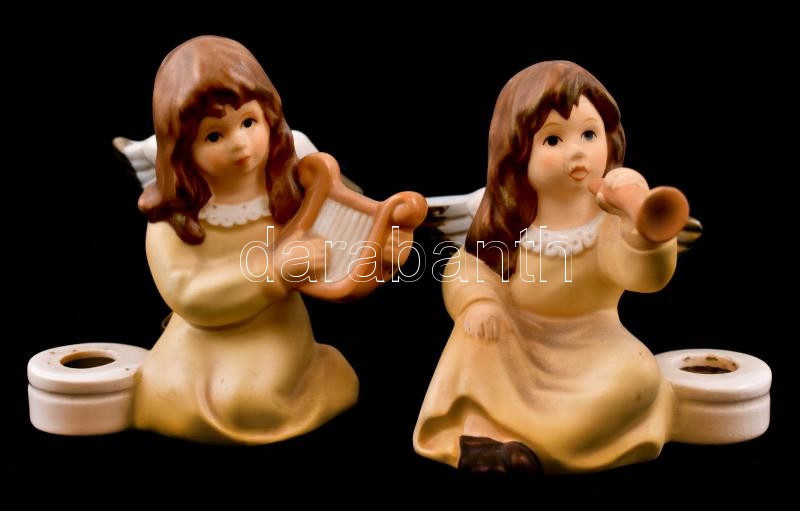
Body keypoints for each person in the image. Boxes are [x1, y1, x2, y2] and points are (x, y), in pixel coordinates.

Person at [413, 60, 688, 474]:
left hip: (594, 341)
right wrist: (479, 302)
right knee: (473, 339)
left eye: (590, 134)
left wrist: (643, 233)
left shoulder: (609, 223)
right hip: (513, 332)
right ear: (517, 153)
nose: (577, 152)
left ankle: (538, 446)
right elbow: (467, 267)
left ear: (610, 138)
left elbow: (644, 278)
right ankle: (478, 436)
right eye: (553, 140)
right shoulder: (507, 220)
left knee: (640, 374)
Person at [132, 36, 358, 444]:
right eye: (214, 136)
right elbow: (185, 291)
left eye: (248, 123)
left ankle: (326, 372)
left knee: (248, 403)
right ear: (182, 148)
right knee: (158, 390)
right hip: (199, 331)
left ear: (269, 117)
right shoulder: (174, 216)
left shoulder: (290, 187)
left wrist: (382, 252)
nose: (239, 143)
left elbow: (345, 235)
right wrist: (272, 272)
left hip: (274, 326)